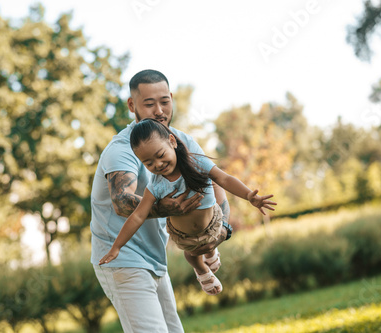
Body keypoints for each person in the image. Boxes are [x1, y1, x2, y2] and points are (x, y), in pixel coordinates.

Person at [90, 69, 231, 333]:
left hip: (155, 258)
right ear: (132, 105)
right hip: (122, 260)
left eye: (164, 101)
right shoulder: (122, 148)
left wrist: (222, 229)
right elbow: (122, 202)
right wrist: (170, 207)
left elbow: (213, 181)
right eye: (149, 103)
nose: (159, 110)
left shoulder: (179, 140)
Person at [99, 118, 277, 295]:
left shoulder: (197, 164)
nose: (158, 165)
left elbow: (224, 179)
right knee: (191, 255)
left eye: (160, 155)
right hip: (184, 237)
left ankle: (211, 250)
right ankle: (201, 270)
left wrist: (248, 196)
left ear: (172, 141)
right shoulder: (155, 186)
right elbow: (137, 216)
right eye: (148, 163)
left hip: (212, 224)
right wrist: (116, 247)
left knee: (206, 245)